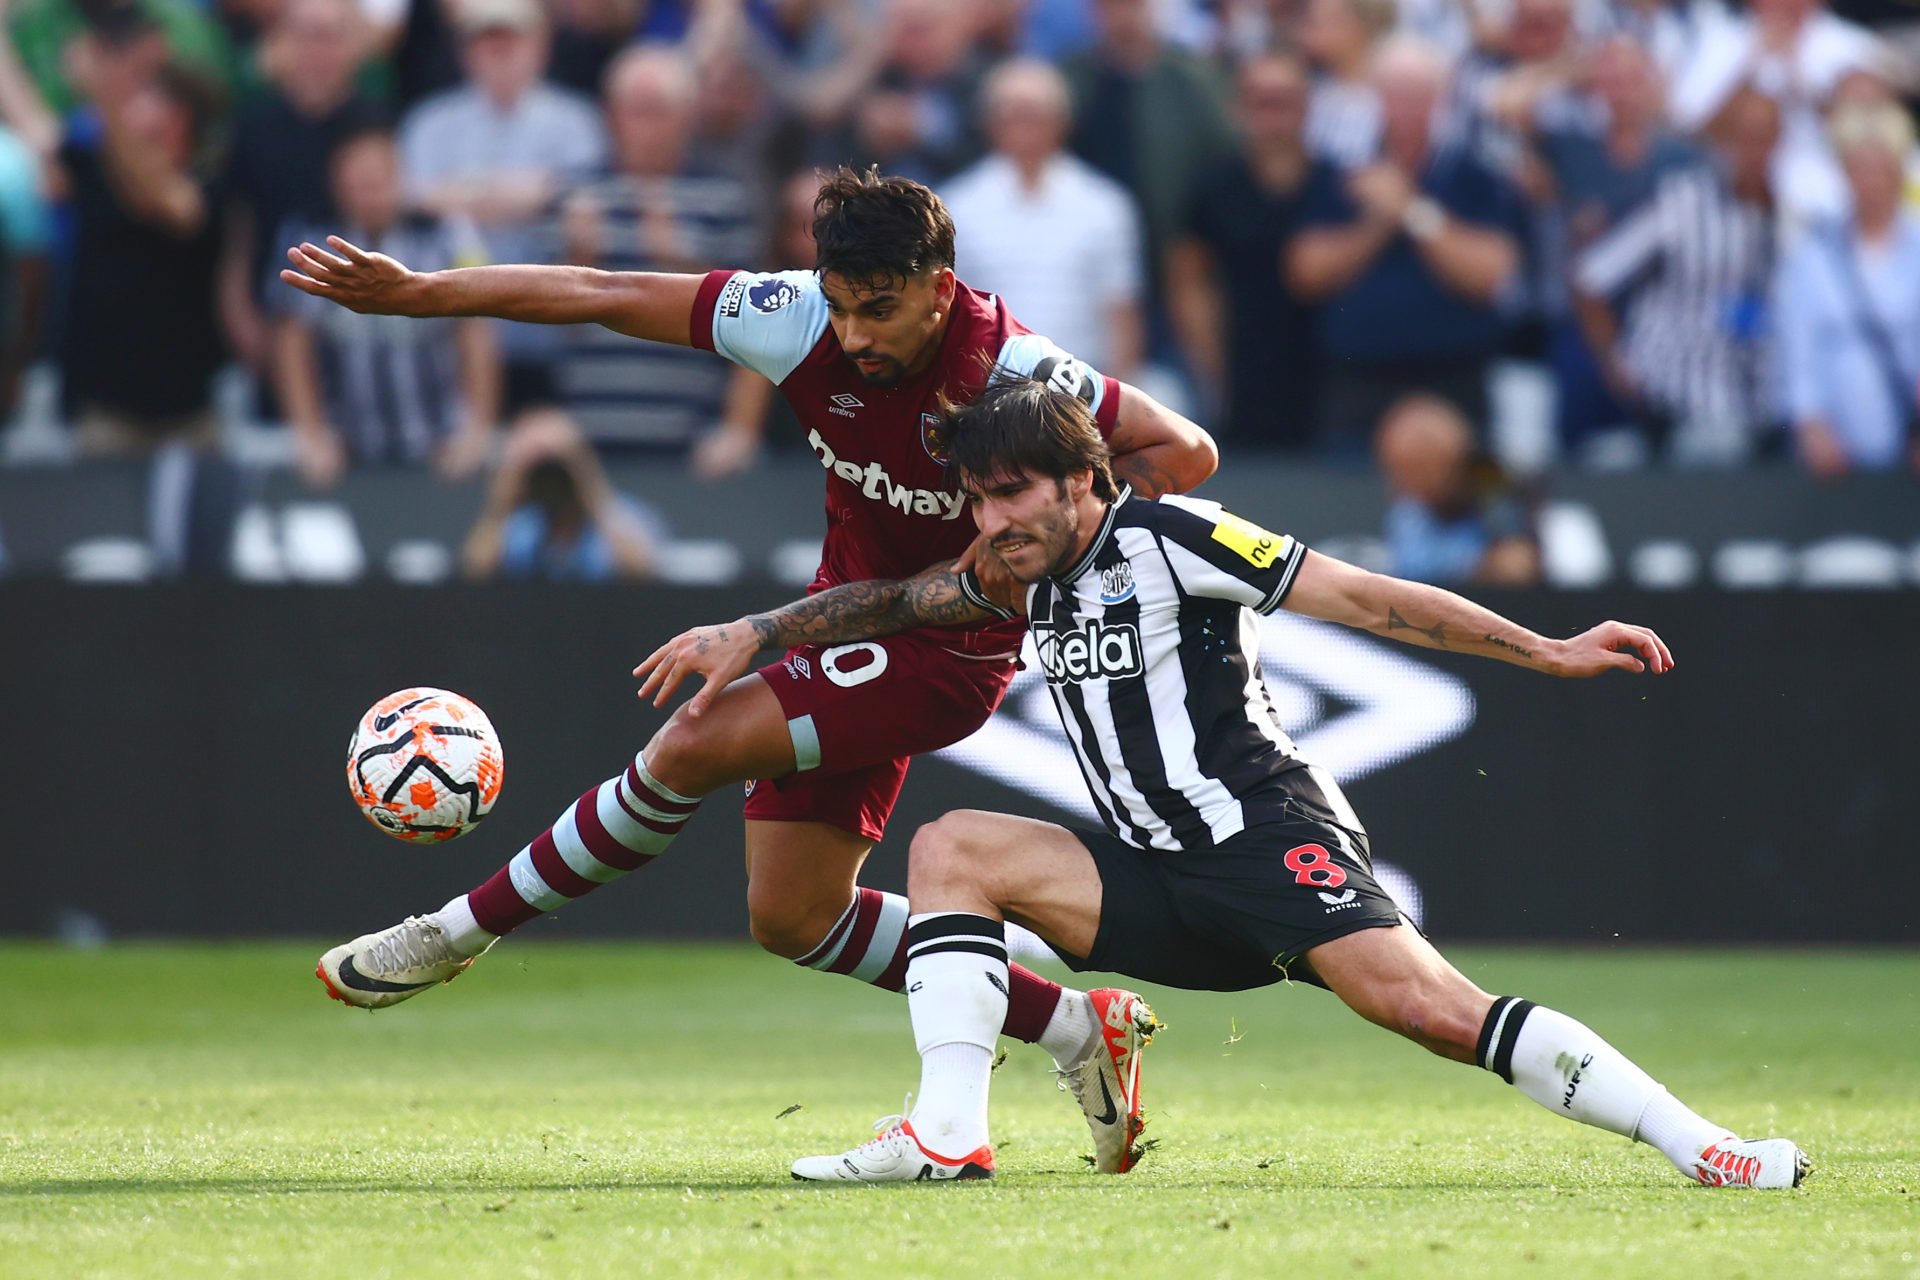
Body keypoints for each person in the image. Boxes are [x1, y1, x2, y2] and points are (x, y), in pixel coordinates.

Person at [634, 375, 1809, 1188]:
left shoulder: (1177, 539)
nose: (990, 524)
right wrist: (759, 626)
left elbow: (1370, 598)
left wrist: (1545, 648)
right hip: (1156, 876)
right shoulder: (1015, 567)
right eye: (979, 501)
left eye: (1011, 496)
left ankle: (1703, 1142)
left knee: (1437, 1013)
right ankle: (947, 1132)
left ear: (1079, 479)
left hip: (1265, 841)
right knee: (955, 847)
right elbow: (896, 601)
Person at [283, 166, 1218, 1175]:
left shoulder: (1018, 368)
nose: (855, 333)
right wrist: (425, 292)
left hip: (950, 645)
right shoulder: (792, 315)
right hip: (844, 618)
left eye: (882, 307)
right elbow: (600, 292)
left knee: (692, 741)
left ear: (939, 290)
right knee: (795, 915)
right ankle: (1082, 1030)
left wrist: (1049, 551)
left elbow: (1186, 451)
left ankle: (456, 930)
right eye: (843, 303)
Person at [1287, 37, 1524, 453]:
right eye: (1396, 96)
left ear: (1440, 101)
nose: (1408, 109)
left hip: (1455, 377)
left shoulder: (1474, 175)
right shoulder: (1342, 172)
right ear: (1377, 100)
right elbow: (1305, 271)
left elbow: (1492, 275)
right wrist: (1379, 222)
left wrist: (1412, 211)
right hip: (1358, 380)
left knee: (1477, 500)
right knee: (1343, 510)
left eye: (1419, 96)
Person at [270, 121, 499, 487]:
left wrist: (477, 427)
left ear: (401, 177)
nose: (370, 195)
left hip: (441, 439)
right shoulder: (311, 241)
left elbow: (476, 330)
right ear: (336, 185)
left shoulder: (447, 234)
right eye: (358, 184)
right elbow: (292, 338)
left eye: (378, 181)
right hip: (347, 447)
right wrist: (310, 435)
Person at [1572, 89, 1781, 468]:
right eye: (1744, 138)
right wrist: (1614, 361)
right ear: (1722, 143)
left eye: (1765, 138)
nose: (1755, 151)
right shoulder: (1682, 202)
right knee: (1714, 452)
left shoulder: (1795, 210)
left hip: (1763, 395)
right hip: (1673, 389)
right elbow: (1591, 276)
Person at [941, 57, 1145, 380]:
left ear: (1061, 121)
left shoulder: (1105, 205)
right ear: (991, 123)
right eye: (1012, 115)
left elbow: (1121, 312)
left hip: (1082, 388)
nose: (1024, 127)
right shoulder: (955, 206)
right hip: (989, 389)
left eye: (1035, 115)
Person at [1165, 51, 1322, 449]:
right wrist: (1213, 365)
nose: (1271, 116)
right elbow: (1188, 279)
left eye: (1282, 102)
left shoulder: (1335, 184)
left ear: (1306, 108)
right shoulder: (1214, 188)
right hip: (1241, 367)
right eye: (1259, 102)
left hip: (1327, 371)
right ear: (1238, 108)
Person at [1775, 100, 1920, 478]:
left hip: (1908, 432)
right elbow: (1797, 346)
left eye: (1881, 169)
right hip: (1833, 442)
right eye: (1860, 169)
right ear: (1844, 174)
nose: (1871, 182)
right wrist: (1811, 424)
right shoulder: (1814, 254)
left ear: (1898, 172)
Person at [460, 410, 661, 581]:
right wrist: (502, 503)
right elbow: (473, 574)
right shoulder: (520, 522)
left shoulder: (622, 513)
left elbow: (644, 574)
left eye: (556, 461)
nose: (549, 475)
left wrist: (590, 488)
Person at [1376, 393, 1538, 584]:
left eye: (1417, 468)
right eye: (1397, 471)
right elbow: (1405, 568)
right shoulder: (1407, 507)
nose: (1402, 483)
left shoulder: (1488, 477)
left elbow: (1516, 565)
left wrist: (1474, 567)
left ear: (1453, 457)